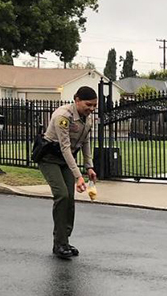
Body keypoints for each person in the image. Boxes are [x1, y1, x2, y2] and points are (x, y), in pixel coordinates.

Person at [39, 86, 97, 259]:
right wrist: (78, 176)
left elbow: (85, 143)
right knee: (62, 195)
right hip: (49, 158)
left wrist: (89, 167)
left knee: (70, 199)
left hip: (66, 159)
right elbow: (65, 148)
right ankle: (59, 244)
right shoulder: (63, 116)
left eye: (94, 106)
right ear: (77, 100)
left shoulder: (87, 119)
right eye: (89, 104)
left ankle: (65, 241)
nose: (92, 109)